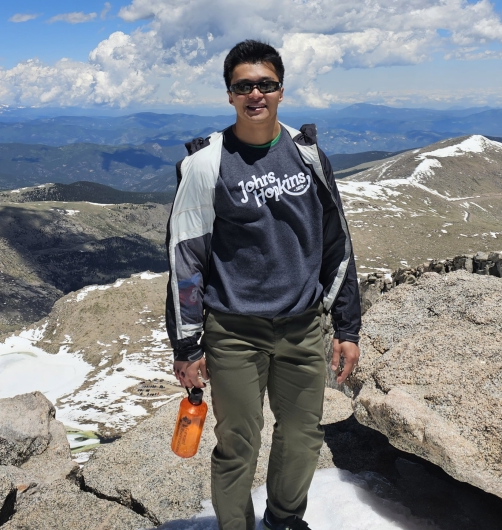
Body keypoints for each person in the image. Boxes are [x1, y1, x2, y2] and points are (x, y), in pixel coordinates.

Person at [165, 39, 361, 530]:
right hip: (234, 332)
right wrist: (187, 347)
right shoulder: (208, 164)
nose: (256, 94)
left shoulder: (307, 154)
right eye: (244, 86)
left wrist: (346, 327)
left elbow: (337, 242)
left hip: (303, 327)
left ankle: (285, 520)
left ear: (281, 90)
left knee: (302, 438)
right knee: (238, 444)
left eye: (265, 85)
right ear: (230, 94)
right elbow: (185, 261)